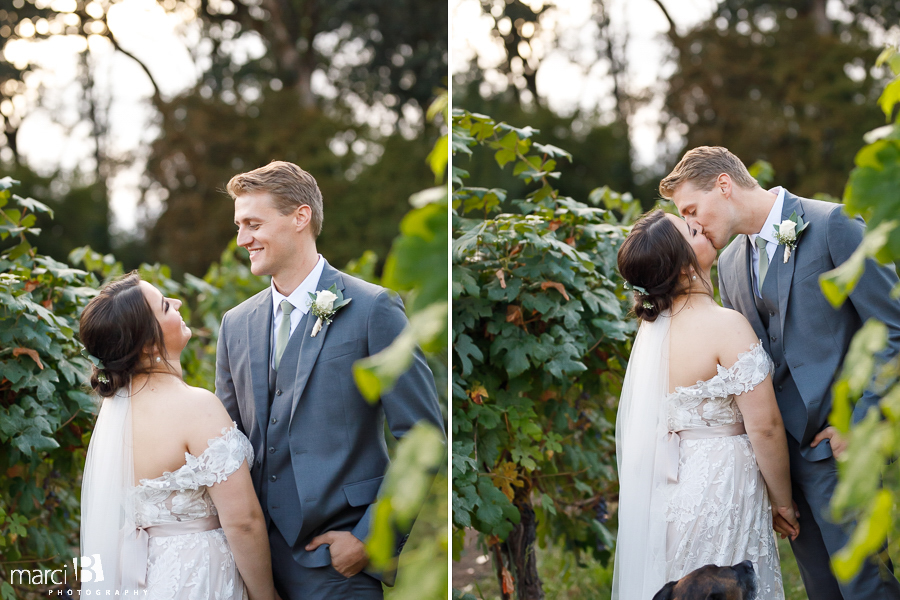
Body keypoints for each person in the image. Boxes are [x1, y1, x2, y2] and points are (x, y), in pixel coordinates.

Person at [662, 146, 900, 600]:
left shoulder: (834, 224)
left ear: (724, 185)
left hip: (844, 454)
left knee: (870, 587)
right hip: (785, 467)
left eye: (692, 209)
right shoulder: (730, 266)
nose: (692, 223)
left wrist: (864, 422)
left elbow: (893, 325)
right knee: (821, 590)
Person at [215, 160, 444, 600]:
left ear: (300, 217)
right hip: (250, 566)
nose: (243, 239)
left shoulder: (373, 309)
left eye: (253, 224)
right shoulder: (235, 324)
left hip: (337, 566)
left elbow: (424, 435)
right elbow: (227, 445)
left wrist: (369, 537)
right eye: (239, 226)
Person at [612, 209, 798, 600]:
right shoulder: (724, 325)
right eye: (692, 231)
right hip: (722, 485)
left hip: (672, 489)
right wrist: (783, 502)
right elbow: (765, 427)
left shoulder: (652, 332)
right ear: (682, 269)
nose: (704, 229)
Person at [79, 272, 276, 599]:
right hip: (200, 576)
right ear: (147, 343)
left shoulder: (115, 410)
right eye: (167, 306)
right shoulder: (196, 406)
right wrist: (267, 595)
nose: (179, 303)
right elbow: (243, 521)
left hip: (144, 575)